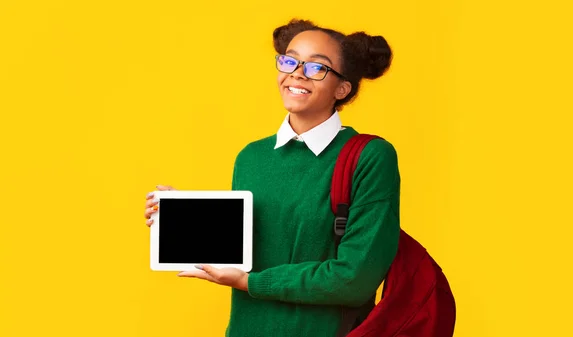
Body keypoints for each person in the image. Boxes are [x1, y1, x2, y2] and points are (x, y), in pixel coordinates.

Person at [143, 18, 401, 337]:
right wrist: (184, 217)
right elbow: (245, 253)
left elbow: (354, 279)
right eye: (290, 61)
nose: (296, 73)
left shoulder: (370, 157)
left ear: (342, 88)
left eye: (316, 67)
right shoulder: (252, 157)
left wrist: (250, 283)